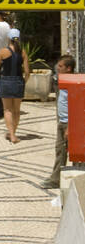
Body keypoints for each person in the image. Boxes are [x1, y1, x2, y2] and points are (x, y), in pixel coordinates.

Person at [43, 55, 76, 189]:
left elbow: (73, 105)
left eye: (61, 66)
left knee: (64, 151)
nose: (58, 68)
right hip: (62, 122)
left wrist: (69, 127)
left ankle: (56, 179)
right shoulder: (62, 81)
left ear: (68, 69)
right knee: (60, 150)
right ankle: (56, 177)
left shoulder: (72, 83)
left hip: (68, 124)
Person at [0, 28, 30, 143]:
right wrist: (24, 81)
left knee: (7, 110)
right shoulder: (23, 52)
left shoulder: (3, 51)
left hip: (6, 82)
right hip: (18, 81)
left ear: (8, 38)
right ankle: (13, 132)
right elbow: (27, 72)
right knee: (16, 110)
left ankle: (12, 134)